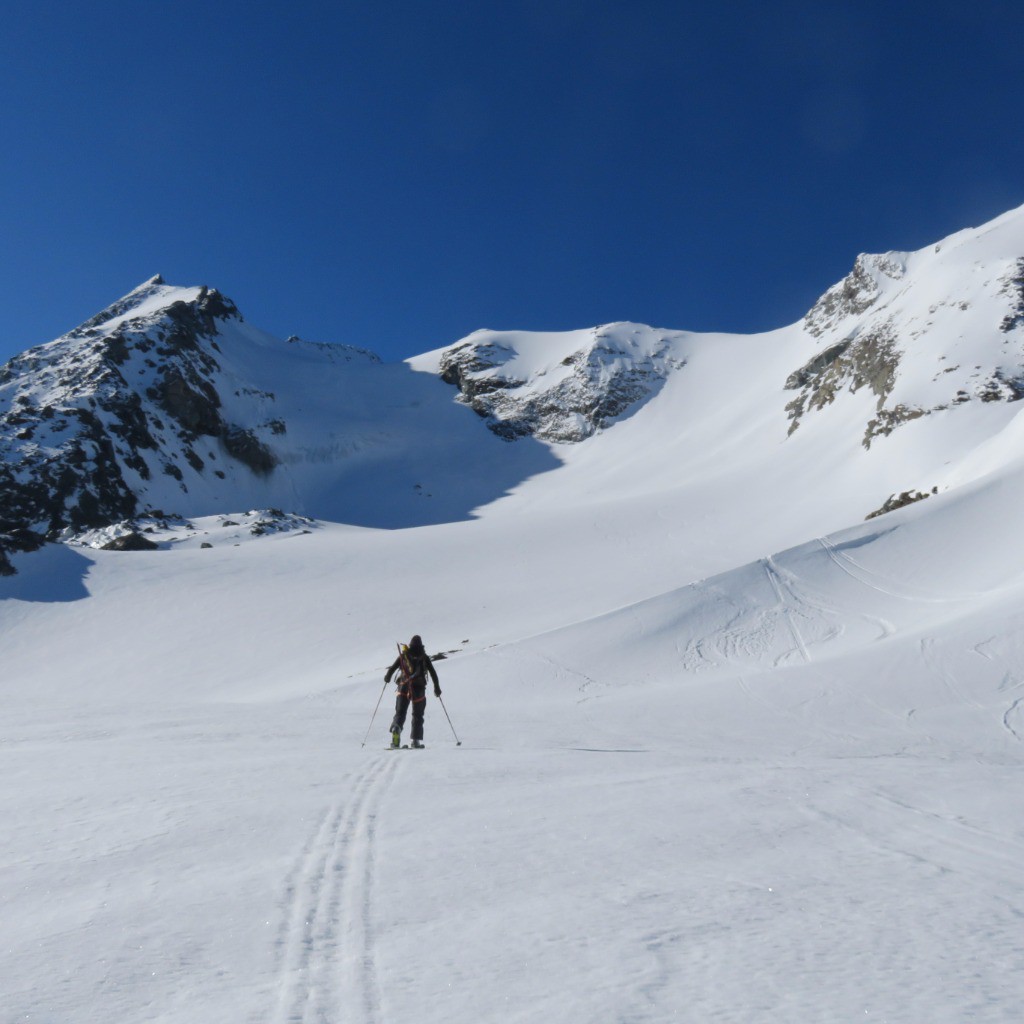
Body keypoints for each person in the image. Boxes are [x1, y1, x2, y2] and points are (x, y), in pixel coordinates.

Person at [385, 635, 441, 748]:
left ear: (410, 645)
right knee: (417, 715)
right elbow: (433, 673)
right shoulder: (424, 657)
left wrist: (388, 677)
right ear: (421, 645)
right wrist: (437, 688)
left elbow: (392, 668)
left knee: (400, 712)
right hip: (418, 689)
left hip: (403, 687)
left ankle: (396, 729)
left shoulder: (404, 656)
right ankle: (415, 741)